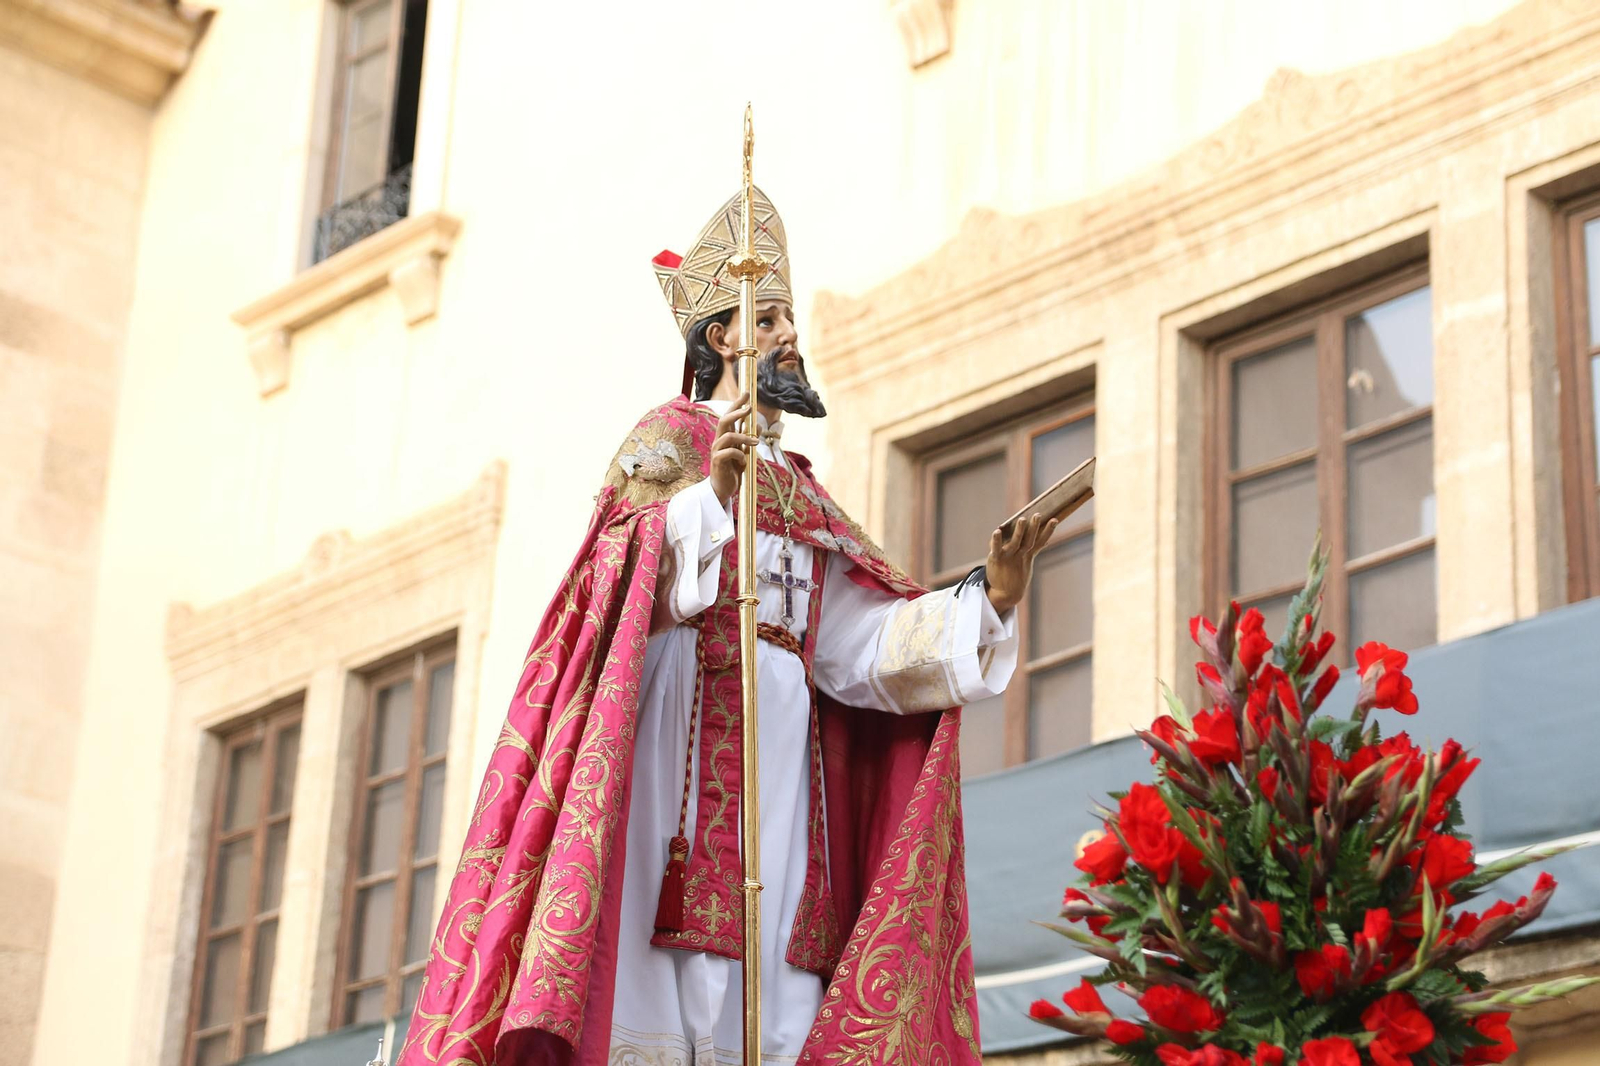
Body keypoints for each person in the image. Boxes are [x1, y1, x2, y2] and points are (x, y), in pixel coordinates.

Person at [398, 188, 1059, 1066]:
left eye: (789, 316)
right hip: (675, 741)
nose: (791, 334)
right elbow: (608, 581)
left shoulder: (803, 487)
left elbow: (858, 647)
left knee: (775, 987)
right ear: (723, 336)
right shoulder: (668, 438)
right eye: (774, 316)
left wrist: (988, 602)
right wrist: (709, 499)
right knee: (658, 992)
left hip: (788, 778)